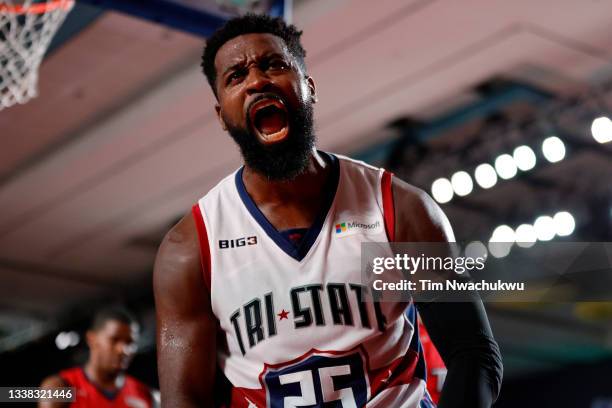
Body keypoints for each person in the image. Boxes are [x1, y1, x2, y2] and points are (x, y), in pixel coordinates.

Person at [153, 14, 503, 408]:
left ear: (309, 87)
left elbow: (472, 353)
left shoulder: (398, 207)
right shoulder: (190, 247)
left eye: (274, 64)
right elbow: (184, 398)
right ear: (221, 116)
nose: (256, 81)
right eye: (236, 76)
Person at [39, 306, 156, 408]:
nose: (123, 349)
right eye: (114, 340)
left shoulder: (145, 394)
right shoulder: (58, 387)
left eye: (130, 343)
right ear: (92, 339)